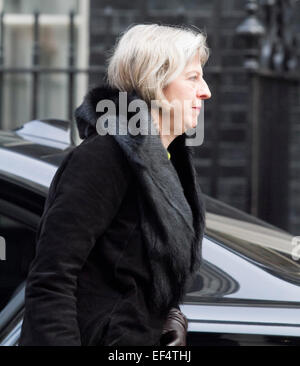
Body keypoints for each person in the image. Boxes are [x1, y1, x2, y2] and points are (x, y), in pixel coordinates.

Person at [19, 23, 212, 346]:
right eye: (192, 78)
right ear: (154, 82)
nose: (206, 91)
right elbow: (51, 279)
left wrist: (169, 315)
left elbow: (133, 275)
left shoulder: (169, 159)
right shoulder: (104, 157)